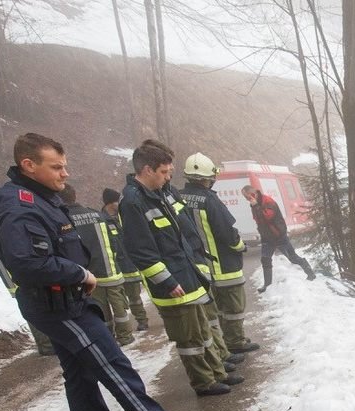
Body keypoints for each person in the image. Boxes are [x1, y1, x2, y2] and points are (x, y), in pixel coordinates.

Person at [0, 132, 201, 411]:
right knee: (113, 364)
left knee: (80, 375)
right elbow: (28, 261)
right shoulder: (19, 205)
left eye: (65, 166)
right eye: (56, 167)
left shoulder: (37, 196)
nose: (65, 173)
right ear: (28, 165)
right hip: (58, 305)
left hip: (62, 300)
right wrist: (80, 274)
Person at [119, 139, 243, 397]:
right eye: (163, 172)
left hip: (189, 274)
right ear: (147, 170)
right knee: (189, 339)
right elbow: (142, 251)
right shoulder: (132, 202)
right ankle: (203, 382)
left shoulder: (163, 193)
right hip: (172, 284)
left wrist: (200, 263)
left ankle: (216, 373)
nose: (167, 178)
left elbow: (187, 233)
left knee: (204, 330)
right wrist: (166, 281)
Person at [180, 153, 260, 355]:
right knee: (233, 307)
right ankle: (235, 340)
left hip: (198, 267)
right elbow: (228, 233)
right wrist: (241, 246)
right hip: (223, 266)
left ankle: (221, 345)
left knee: (213, 312)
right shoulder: (210, 200)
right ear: (208, 177)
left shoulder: (178, 198)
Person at [0, 187, 55, 356]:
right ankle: (46, 345)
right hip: (16, 275)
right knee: (34, 308)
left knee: (35, 307)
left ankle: (48, 342)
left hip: (14, 274)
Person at [59, 184, 134, 346]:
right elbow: (114, 241)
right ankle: (126, 337)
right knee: (119, 306)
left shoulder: (64, 220)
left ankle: (109, 338)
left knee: (101, 309)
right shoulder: (97, 215)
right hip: (110, 269)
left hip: (89, 275)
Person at [241, 184, 315, 292]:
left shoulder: (268, 201)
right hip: (266, 237)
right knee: (265, 259)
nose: (247, 200)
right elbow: (257, 218)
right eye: (246, 198)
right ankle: (268, 285)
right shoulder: (254, 204)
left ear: (253, 194)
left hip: (278, 235)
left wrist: (256, 206)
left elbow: (268, 217)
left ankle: (310, 274)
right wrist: (255, 206)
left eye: (248, 197)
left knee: (292, 258)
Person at [102, 187, 150, 332]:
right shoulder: (102, 219)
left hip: (134, 261)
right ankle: (133, 323)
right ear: (110, 203)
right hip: (118, 265)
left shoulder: (124, 215)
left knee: (136, 295)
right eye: (117, 202)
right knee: (126, 298)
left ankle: (142, 320)